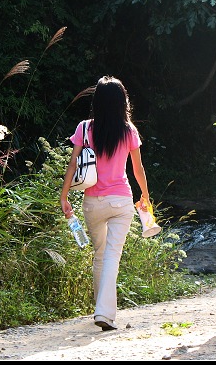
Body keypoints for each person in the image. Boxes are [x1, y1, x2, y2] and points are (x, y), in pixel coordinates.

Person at [60, 76, 150, 331]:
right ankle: (104, 313)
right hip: (121, 201)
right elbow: (137, 168)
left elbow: (73, 164)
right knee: (111, 255)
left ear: (96, 101)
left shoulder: (85, 128)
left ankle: (101, 310)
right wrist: (145, 195)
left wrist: (64, 196)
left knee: (100, 255)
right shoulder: (128, 130)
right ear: (123, 102)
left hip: (92, 203)